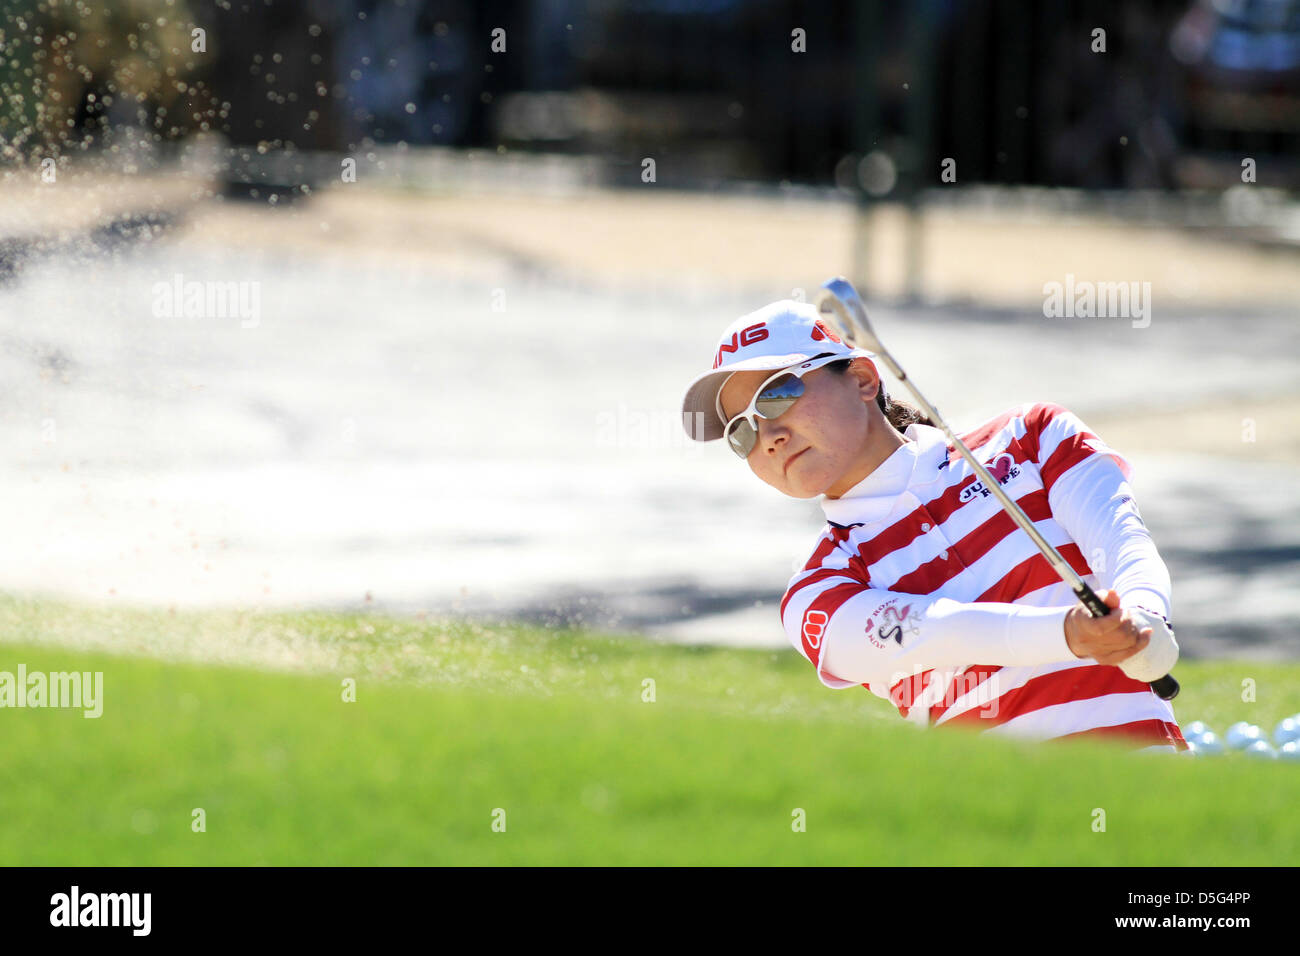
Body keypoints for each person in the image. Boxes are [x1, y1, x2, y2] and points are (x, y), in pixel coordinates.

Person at [680, 299, 1187, 752]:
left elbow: (1123, 542)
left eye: (776, 395)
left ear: (861, 378)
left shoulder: (1030, 439)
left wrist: (1143, 616)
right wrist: (1072, 634)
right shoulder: (815, 590)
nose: (767, 436)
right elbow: (935, 633)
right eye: (740, 431)